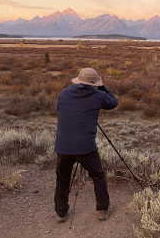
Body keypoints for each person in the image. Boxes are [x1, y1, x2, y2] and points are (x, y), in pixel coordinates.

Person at [54, 67, 118, 223]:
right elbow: (113, 103)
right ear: (94, 82)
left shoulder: (64, 92)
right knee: (98, 175)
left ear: (78, 79)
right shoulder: (98, 95)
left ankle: (60, 213)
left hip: (63, 145)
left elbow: (60, 109)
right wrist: (102, 85)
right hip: (85, 147)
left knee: (62, 178)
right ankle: (102, 210)